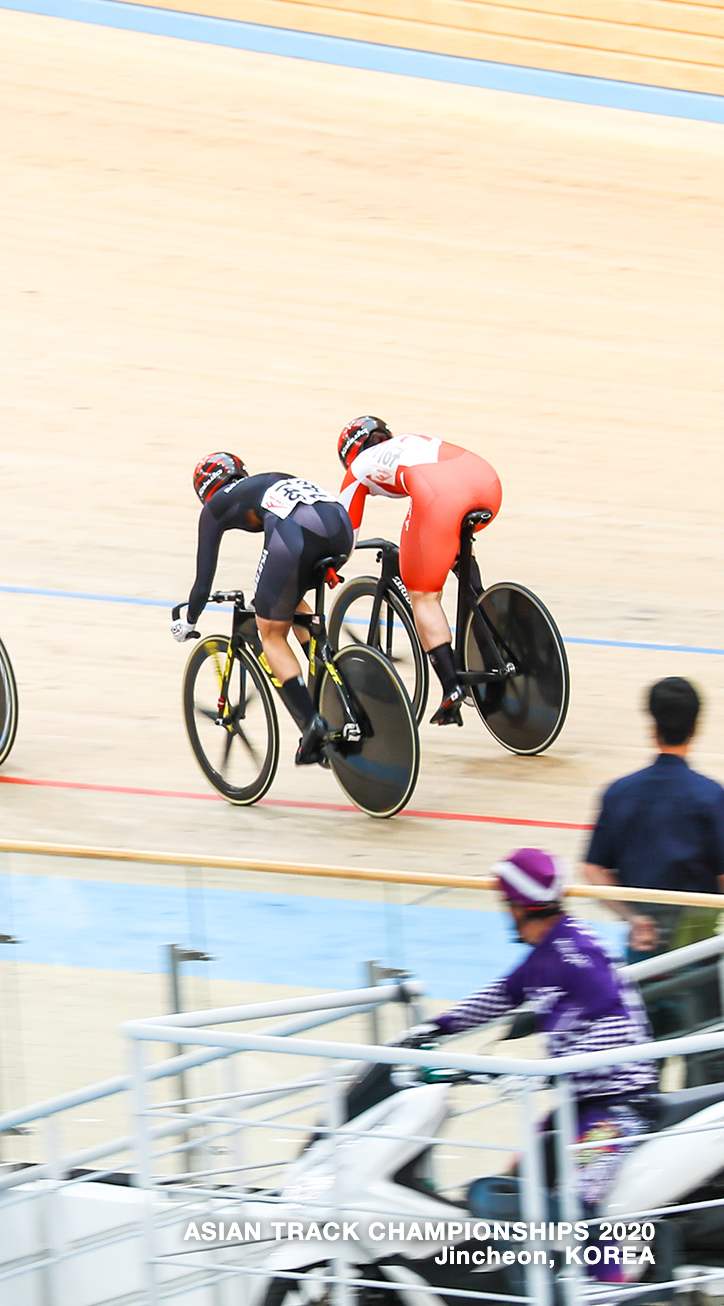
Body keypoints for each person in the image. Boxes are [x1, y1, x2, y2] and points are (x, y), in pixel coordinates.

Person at [401, 848, 655, 1235]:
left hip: (621, 1106)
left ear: (518, 906)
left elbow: (617, 1028)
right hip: (579, 1103)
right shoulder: (547, 951)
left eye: (504, 903)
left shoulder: (577, 953)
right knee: (521, 1182)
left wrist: (552, 1070)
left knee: (578, 1201)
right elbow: (500, 996)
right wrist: (435, 1028)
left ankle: (603, 1288)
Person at [173, 453, 354, 766]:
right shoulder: (268, 479)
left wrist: (189, 620)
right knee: (287, 598)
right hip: (340, 527)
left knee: (269, 631)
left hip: (296, 534)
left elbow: (202, 584)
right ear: (241, 472)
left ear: (205, 492)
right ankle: (324, 661)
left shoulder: (215, 507)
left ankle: (313, 723)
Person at [333, 417, 503, 726]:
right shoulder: (407, 441)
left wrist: (332, 566)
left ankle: (451, 688)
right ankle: (481, 604)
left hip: (440, 497)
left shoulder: (358, 468)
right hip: (486, 482)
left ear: (350, 453)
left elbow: (345, 532)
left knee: (423, 595)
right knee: (449, 539)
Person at [581, 678, 724, 962]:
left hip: (642, 948)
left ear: (653, 729)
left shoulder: (619, 793)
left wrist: (633, 917)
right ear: (694, 729)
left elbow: (593, 869)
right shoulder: (711, 797)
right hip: (698, 953)